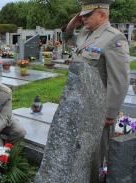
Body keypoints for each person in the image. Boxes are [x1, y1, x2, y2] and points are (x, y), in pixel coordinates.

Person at [61, 0, 130, 168]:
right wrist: (72, 24)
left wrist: (110, 113)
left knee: (95, 154)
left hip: (97, 108)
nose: (83, 19)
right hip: (78, 103)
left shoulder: (114, 38)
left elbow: (119, 79)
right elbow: (67, 39)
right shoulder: (85, 33)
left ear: (102, 15)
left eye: (87, 15)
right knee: (79, 150)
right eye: (82, 15)